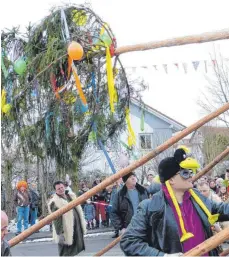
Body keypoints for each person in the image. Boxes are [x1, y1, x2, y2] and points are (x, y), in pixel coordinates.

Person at [120, 148, 229, 256]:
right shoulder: (150, 206)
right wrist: (163, 256)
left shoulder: (198, 198)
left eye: (191, 172)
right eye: (185, 173)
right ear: (171, 179)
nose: (191, 176)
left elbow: (222, 209)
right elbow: (129, 241)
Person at [48, 181, 86, 256]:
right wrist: (60, 233)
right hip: (65, 230)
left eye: (62, 187)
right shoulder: (54, 202)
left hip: (75, 227)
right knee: (65, 252)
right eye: (58, 189)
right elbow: (56, 219)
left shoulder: (70, 196)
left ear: (64, 187)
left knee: (74, 249)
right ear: (55, 190)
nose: (61, 189)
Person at [110, 172, 148, 239]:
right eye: (130, 177)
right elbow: (113, 212)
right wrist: (121, 228)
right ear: (125, 181)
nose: (133, 178)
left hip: (145, 227)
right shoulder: (120, 195)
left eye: (134, 176)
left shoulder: (143, 191)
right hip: (129, 229)